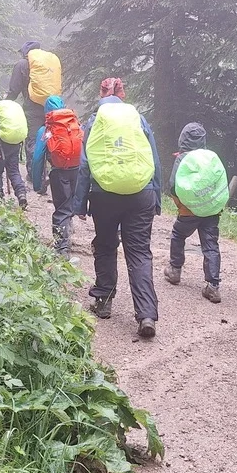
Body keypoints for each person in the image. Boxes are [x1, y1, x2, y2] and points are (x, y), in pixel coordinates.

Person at [73, 92, 162, 338]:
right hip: (142, 192)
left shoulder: (93, 122)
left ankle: (103, 301)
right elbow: (153, 158)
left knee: (105, 244)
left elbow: (84, 164)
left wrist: (80, 204)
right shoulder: (139, 119)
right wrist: (157, 196)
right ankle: (146, 315)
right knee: (140, 253)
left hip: (104, 194)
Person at [164, 123, 225, 304]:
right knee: (211, 245)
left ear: (182, 138)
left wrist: (182, 203)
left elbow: (172, 185)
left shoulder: (183, 158)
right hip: (211, 210)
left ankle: (175, 270)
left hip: (188, 212)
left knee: (178, 235)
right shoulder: (210, 157)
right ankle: (213, 286)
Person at [30, 95, 82, 257]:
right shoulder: (74, 125)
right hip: (78, 171)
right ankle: (68, 232)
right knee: (70, 205)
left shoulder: (47, 130)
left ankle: (62, 250)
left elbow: (38, 158)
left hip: (59, 173)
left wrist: (37, 183)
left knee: (61, 210)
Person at [7, 41, 62, 188]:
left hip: (32, 109)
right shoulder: (47, 65)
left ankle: (35, 177)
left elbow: (14, 89)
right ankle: (56, 175)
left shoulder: (23, 64)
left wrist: (6, 103)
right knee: (50, 139)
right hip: (51, 108)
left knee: (33, 140)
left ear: (25, 52)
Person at [0, 88, 28, 210]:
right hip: (16, 141)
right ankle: (21, 194)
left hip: (3, 143)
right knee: (13, 170)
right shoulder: (6, 105)